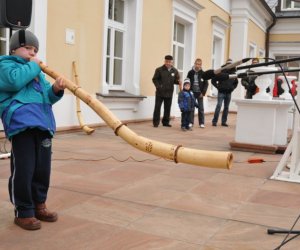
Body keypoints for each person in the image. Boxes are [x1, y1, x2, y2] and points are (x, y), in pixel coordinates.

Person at [0, 30, 66, 230]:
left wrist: (55, 89)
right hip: (22, 124)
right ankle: (24, 210)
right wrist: (33, 66)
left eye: (35, 50)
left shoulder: (35, 71)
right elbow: (14, 82)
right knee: (24, 169)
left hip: (43, 124)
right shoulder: (6, 65)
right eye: (27, 48)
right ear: (13, 49)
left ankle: (39, 204)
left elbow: (46, 96)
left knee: (42, 169)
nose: (32, 53)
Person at [152, 55, 181, 127]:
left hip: (169, 92)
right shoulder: (159, 70)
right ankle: (156, 123)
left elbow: (176, 80)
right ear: (164, 61)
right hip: (160, 93)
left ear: (172, 62)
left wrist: (178, 82)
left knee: (167, 108)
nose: (168, 63)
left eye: (169, 62)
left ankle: (165, 122)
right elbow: (154, 79)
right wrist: (159, 87)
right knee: (157, 108)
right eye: (166, 61)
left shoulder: (174, 70)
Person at [211, 59, 238, 127]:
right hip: (221, 92)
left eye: (230, 64)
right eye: (228, 64)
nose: (229, 65)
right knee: (219, 106)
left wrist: (232, 88)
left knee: (226, 107)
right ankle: (214, 121)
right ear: (226, 65)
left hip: (229, 93)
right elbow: (213, 80)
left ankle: (224, 122)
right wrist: (218, 87)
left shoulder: (234, 73)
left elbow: (236, 83)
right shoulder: (220, 72)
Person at [186, 58, 208, 128]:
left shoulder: (204, 73)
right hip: (192, 93)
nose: (198, 65)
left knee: (201, 108)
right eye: (196, 64)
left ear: (201, 65)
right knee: (192, 108)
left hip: (200, 93)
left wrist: (203, 93)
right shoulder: (190, 72)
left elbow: (206, 84)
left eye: (199, 64)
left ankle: (201, 123)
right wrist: (188, 91)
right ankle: (190, 122)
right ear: (194, 64)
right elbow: (187, 82)